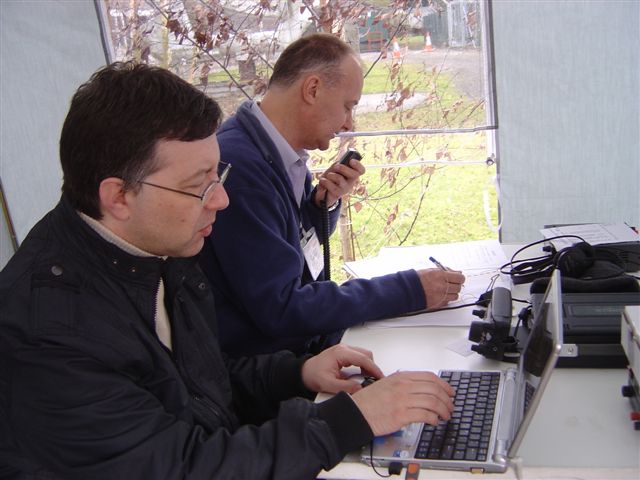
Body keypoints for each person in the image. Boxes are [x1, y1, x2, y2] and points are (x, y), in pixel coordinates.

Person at [0, 61, 455, 480]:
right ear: (118, 196)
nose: (221, 200)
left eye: (219, 175)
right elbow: (182, 466)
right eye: (198, 186)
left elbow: (196, 383)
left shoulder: (156, 249)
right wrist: (348, 421)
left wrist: (295, 373)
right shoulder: (49, 334)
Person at [199, 33, 465, 357]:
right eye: (348, 106)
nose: (349, 124)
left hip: (299, 348)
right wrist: (410, 290)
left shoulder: (276, 155)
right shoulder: (242, 171)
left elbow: (284, 246)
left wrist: (321, 207)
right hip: (275, 374)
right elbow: (282, 308)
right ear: (312, 89)